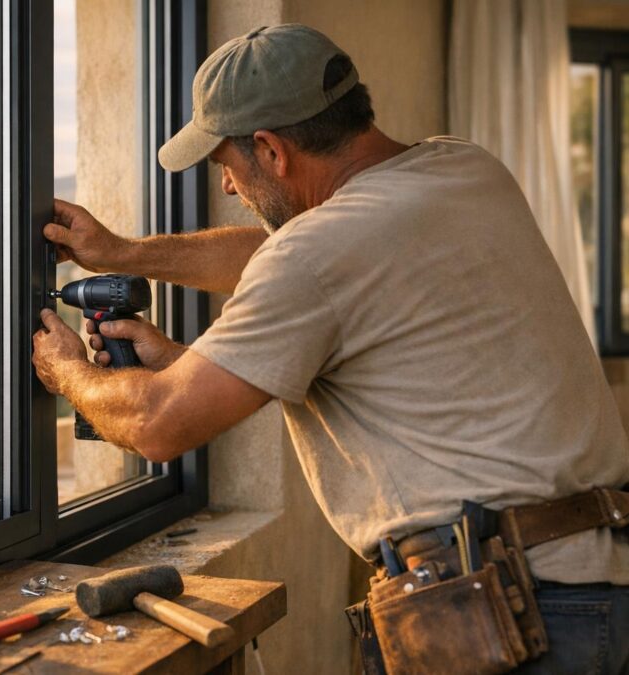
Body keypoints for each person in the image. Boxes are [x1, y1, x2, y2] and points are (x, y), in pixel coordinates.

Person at [31, 23, 629, 673]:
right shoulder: (463, 169)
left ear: (270, 149)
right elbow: (296, 266)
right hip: (592, 583)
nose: (228, 188)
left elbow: (156, 423)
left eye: (226, 166)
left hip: (516, 613)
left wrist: (64, 368)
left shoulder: (319, 253)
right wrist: (126, 259)